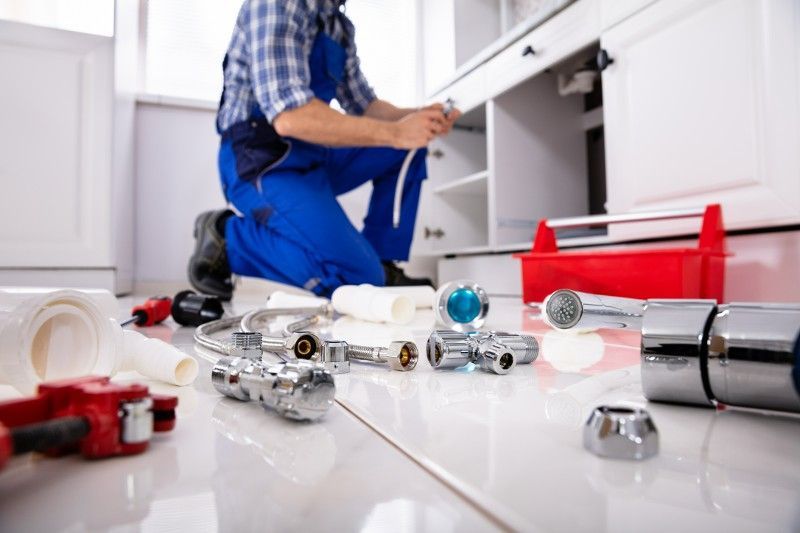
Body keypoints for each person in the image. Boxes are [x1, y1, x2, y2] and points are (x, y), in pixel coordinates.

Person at [188, 0, 461, 300]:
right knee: (356, 278)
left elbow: (365, 106)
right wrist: (398, 132)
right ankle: (229, 240)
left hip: (312, 153)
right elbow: (291, 118)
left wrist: (420, 118)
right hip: (260, 159)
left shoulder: (337, 26)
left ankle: (383, 266)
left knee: (408, 148)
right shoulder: (277, 4)